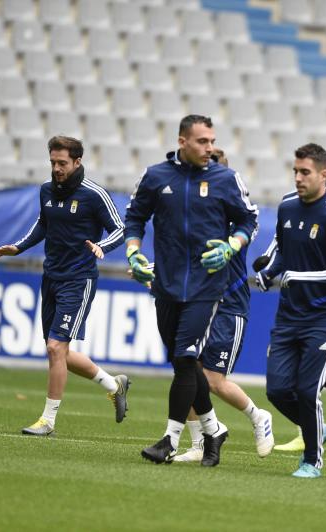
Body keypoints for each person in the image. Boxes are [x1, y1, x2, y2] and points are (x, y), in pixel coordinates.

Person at [125, 115, 258, 467]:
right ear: (182, 141)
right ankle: (214, 430)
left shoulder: (226, 179)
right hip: (166, 284)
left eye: (212, 141)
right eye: (202, 142)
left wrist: (232, 244)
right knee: (183, 364)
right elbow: (135, 217)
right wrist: (133, 251)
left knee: (186, 356)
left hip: (207, 286)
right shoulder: (156, 177)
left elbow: (249, 220)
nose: (209, 148)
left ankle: (169, 440)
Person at [0, 135, 129, 436]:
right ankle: (113, 384)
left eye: (62, 163)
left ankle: (47, 421)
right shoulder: (46, 191)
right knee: (58, 352)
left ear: (77, 161)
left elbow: (120, 228)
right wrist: (18, 247)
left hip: (78, 280)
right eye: (53, 162)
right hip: (51, 277)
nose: (56, 168)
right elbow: (44, 223)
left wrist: (101, 246)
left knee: (55, 347)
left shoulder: (94, 194)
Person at [262, 143, 326, 478]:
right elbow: (281, 252)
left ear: (324, 175)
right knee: (275, 390)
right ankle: (316, 427)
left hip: (322, 316)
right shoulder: (287, 206)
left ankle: (312, 461)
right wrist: (267, 273)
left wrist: (300, 276)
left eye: (305, 173)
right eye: (296, 172)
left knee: (307, 389)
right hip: (288, 315)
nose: (298, 178)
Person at [174, 147, 274, 462]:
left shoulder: (237, 216)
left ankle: (259, 417)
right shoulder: (193, 212)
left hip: (229, 306)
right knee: (187, 371)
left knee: (214, 381)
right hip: (199, 304)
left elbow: (249, 227)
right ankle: (200, 443)